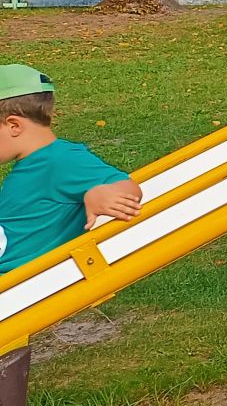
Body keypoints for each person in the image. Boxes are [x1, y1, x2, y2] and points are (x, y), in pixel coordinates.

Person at [0, 64, 142, 276]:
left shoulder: (60, 160)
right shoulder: (32, 165)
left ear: (14, 126)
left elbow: (128, 189)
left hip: (17, 285)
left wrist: (98, 193)